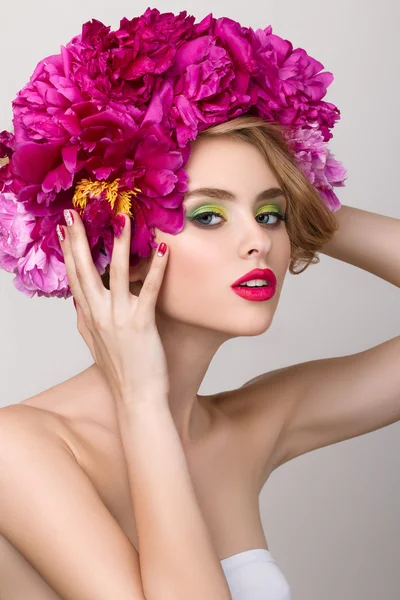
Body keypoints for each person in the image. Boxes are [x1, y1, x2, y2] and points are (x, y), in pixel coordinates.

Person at [1, 8, 399, 600]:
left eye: (270, 216)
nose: (259, 241)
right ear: (122, 247)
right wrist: (141, 402)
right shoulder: (20, 449)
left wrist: (299, 194)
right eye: (208, 215)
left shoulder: (248, 426)